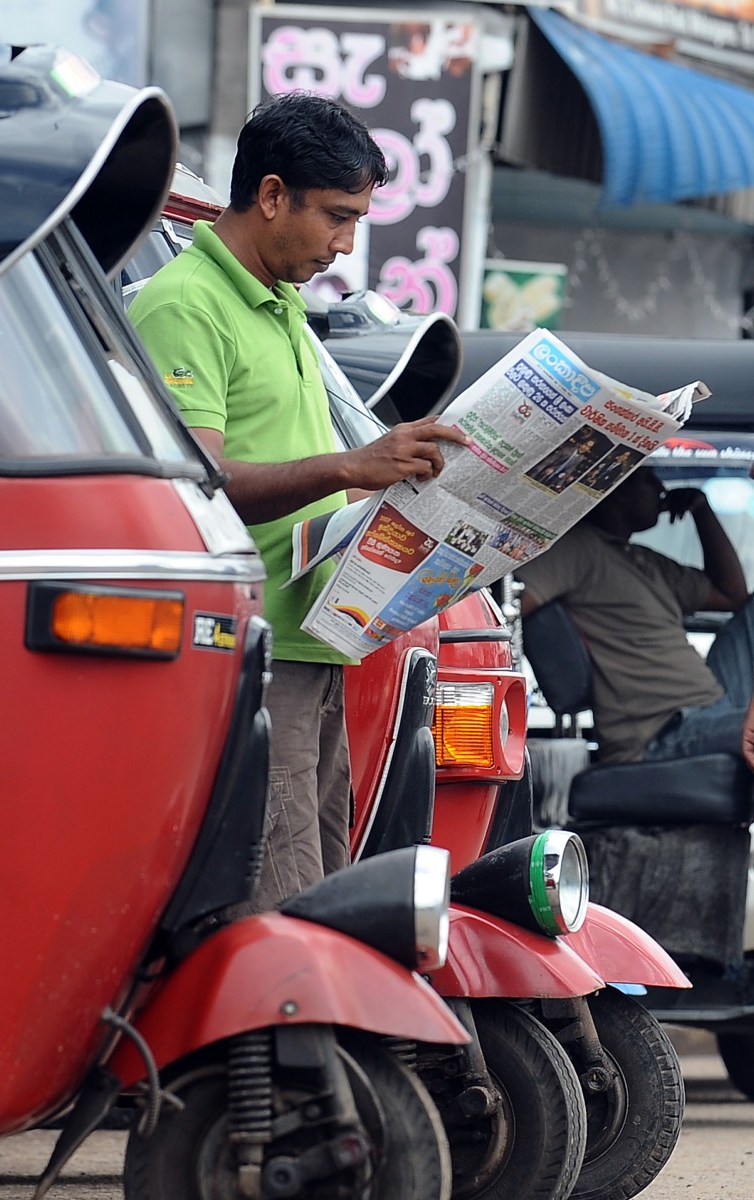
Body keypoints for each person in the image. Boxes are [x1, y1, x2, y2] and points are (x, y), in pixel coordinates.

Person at [129, 91, 468, 911]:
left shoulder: (282, 305)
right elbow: (198, 488)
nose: (345, 244)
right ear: (272, 194)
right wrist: (353, 466)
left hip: (318, 647)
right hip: (255, 649)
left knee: (329, 900)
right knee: (287, 917)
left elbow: (310, 474)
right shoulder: (184, 304)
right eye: (337, 217)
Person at [517, 464, 754, 767]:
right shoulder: (576, 549)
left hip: (713, 704)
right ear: (615, 493)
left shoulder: (640, 558)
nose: (660, 488)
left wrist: (701, 510)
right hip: (664, 731)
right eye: (647, 478)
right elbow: (506, 608)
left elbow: (733, 597)